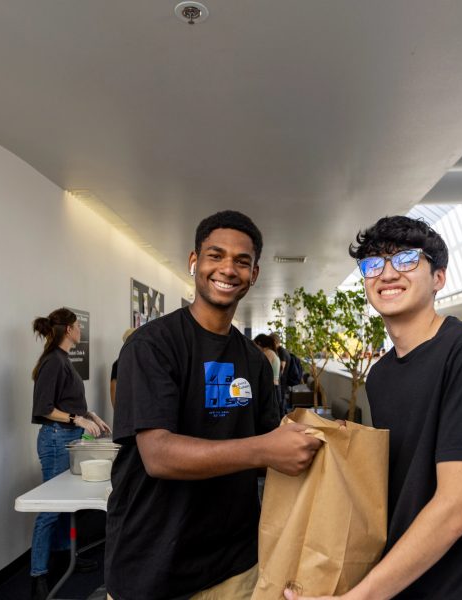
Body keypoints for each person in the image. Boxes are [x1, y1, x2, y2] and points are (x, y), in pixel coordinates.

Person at [288, 215, 462, 600]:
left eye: (406, 260)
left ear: (439, 278)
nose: (386, 273)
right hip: (407, 577)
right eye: (373, 264)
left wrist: (362, 596)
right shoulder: (380, 374)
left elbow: (457, 506)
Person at [105, 210, 322, 600]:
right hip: (154, 564)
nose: (228, 268)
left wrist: (313, 441)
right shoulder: (152, 346)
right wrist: (266, 448)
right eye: (215, 255)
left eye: (242, 261)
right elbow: (158, 455)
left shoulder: (253, 360)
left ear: (254, 275)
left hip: (235, 566)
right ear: (194, 262)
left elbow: (268, 450)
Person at [30, 308, 112, 600]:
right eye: (78, 326)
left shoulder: (63, 360)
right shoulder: (53, 362)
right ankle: (38, 575)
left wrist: (91, 414)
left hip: (67, 437)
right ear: (68, 330)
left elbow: (69, 401)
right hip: (55, 439)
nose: (81, 331)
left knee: (65, 504)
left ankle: (67, 558)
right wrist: (78, 420)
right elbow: (44, 408)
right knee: (51, 508)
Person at [254, 333, 283, 418]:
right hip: (275, 386)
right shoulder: (272, 352)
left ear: (259, 343)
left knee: (271, 416)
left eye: (255, 345)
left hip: (272, 387)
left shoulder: (268, 353)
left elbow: (263, 370)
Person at [109, 327, 137, 410]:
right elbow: (113, 389)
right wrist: (117, 412)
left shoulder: (143, 362)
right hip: (127, 410)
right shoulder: (118, 364)